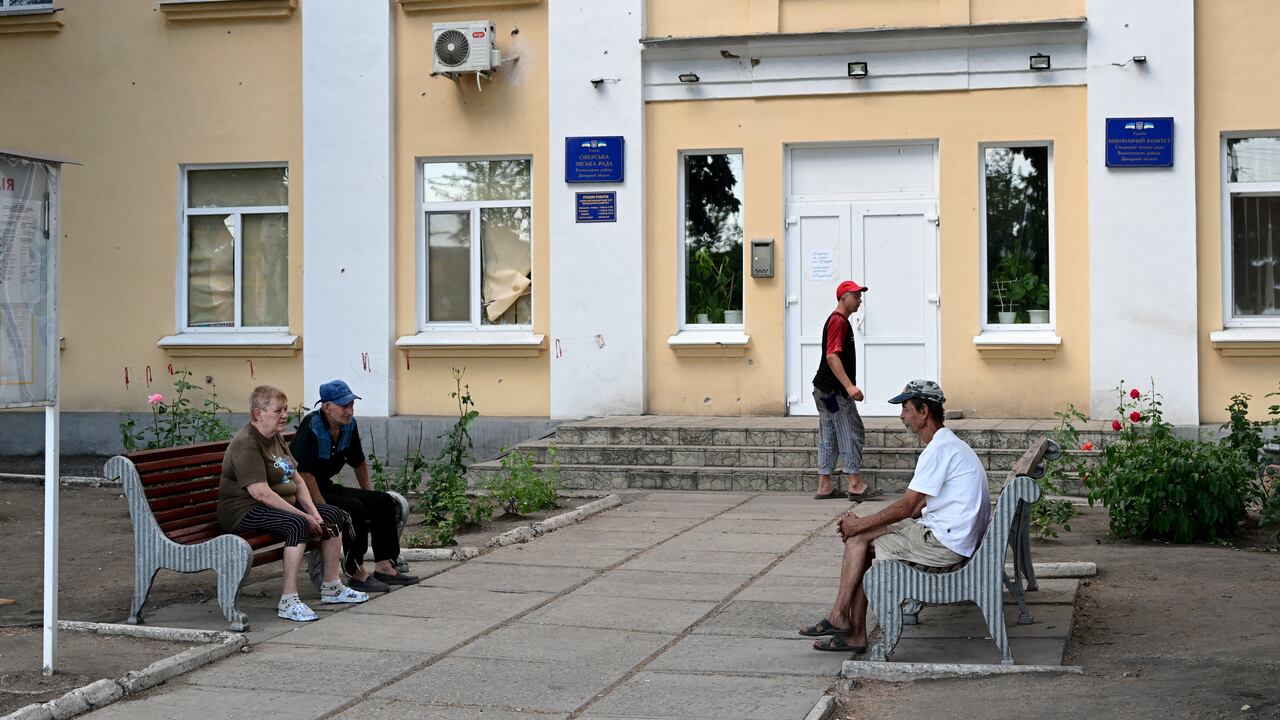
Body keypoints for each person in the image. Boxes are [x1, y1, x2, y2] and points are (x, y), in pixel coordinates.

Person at [800, 380, 990, 652]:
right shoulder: (949, 445)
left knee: (859, 542)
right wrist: (861, 525)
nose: (902, 416)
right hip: (947, 536)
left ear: (924, 411)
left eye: (906, 409)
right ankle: (844, 621)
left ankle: (844, 621)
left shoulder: (939, 450)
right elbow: (915, 509)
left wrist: (860, 524)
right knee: (860, 537)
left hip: (942, 545)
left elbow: (906, 508)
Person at [216, 385, 369, 622]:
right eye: (278, 410)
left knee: (333, 514)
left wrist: (313, 511)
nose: (284, 415)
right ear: (258, 414)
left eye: (285, 409)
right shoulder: (248, 444)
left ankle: (331, 586)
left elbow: (297, 479)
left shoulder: (275, 438)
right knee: (297, 525)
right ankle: (288, 600)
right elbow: (260, 494)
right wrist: (305, 518)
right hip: (244, 511)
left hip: (272, 506)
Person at [292, 379, 419, 593]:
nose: (349, 411)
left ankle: (385, 566)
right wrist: (323, 509)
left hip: (326, 486)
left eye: (351, 405)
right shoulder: (312, 425)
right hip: (305, 493)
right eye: (344, 406)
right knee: (353, 509)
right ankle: (355, 571)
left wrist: (368, 493)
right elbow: (305, 473)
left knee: (382, 501)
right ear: (327, 407)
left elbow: (358, 461)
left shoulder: (348, 426)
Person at [812, 279, 879, 502]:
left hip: (824, 391)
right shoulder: (838, 322)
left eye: (860, 296)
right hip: (834, 392)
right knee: (851, 431)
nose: (859, 300)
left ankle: (824, 485)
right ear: (843, 298)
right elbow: (832, 356)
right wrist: (849, 386)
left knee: (830, 432)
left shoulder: (838, 321)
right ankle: (855, 483)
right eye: (856, 296)